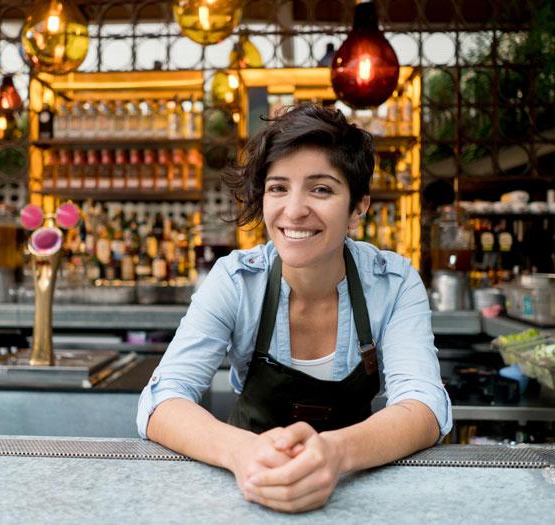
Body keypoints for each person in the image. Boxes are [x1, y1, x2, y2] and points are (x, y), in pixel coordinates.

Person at [137, 103, 452, 513]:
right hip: (244, 495)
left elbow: (424, 406)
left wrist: (334, 454)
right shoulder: (236, 280)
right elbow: (162, 401)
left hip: (357, 496)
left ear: (358, 207)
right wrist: (242, 453)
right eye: (278, 187)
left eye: (321, 189)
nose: (294, 210)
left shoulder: (392, 282)